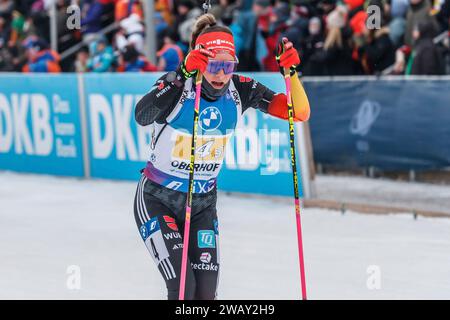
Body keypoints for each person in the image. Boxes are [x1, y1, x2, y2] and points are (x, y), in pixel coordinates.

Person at [133, 13, 310, 300]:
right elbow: (142, 115)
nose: (220, 74)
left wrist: (291, 73)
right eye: (214, 65)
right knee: (183, 289)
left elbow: (297, 112)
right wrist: (182, 73)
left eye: (227, 66)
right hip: (157, 199)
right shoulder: (179, 84)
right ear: (200, 61)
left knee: (205, 293)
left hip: (202, 204)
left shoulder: (240, 88)